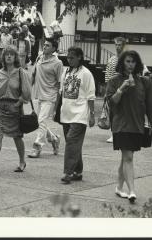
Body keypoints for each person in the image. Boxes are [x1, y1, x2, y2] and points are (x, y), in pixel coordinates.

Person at [106, 50, 152, 203]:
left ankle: (119, 187)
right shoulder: (114, 80)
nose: (130, 64)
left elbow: (149, 105)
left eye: (133, 61)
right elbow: (111, 103)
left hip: (137, 125)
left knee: (125, 158)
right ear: (122, 63)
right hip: (121, 124)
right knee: (128, 158)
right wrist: (122, 88)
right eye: (127, 61)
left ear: (137, 63)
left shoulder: (144, 82)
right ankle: (132, 190)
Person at [0, 45, 31, 174]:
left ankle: (22, 161)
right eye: (6, 54)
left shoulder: (21, 72)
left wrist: (19, 103)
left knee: (17, 136)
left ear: (15, 57)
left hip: (15, 108)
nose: (8, 56)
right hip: (1, 107)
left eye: (11, 54)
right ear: (3, 57)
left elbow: (27, 93)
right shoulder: (0, 72)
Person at [60, 47, 96, 184]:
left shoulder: (86, 73)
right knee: (74, 144)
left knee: (71, 141)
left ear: (79, 57)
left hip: (80, 114)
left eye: (72, 57)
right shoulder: (66, 72)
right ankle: (78, 171)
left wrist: (92, 114)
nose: (69, 60)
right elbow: (61, 91)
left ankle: (68, 172)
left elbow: (91, 95)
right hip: (66, 113)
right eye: (68, 58)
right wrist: (57, 111)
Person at [28, 38, 63, 158]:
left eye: (48, 45)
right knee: (40, 122)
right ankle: (54, 139)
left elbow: (59, 84)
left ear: (54, 49)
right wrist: (28, 90)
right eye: (44, 45)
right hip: (38, 95)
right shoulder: (39, 58)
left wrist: (57, 105)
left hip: (50, 96)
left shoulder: (58, 63)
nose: (44, 47)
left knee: (41, 121)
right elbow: (33, 75)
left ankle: (37, 146)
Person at [105, 37, 126, 143]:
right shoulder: (112, 59)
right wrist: (106, 91)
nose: (118, 47)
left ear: (123, 45)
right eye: (116, 44)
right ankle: (114, 133)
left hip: (124, 88)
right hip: (113, 89)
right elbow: (108, 75)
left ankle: (123, 132)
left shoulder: (127, 58)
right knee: (113, 111)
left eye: (119, 44)